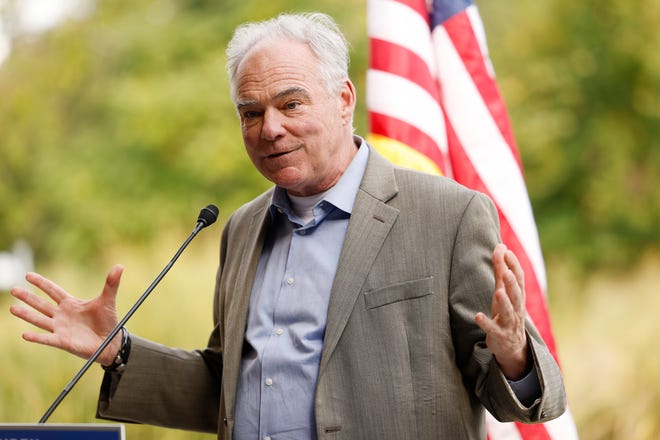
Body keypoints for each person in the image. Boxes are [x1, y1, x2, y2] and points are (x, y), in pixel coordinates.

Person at [10, 12, 567, 440]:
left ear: (344, 99)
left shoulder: (448, 214)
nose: (269, 128)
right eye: (250, 113)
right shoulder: (242, 228)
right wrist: (117, 351)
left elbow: (524, 396)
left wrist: (515, 353)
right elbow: (226, 386)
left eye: (290, 104)